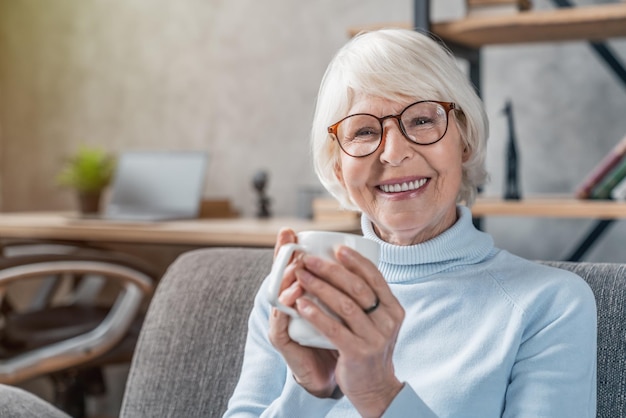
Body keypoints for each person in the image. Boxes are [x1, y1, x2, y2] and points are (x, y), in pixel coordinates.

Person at [224, 28, 597, 417]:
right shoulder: (292, 293)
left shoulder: (552, 305)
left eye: (421, 120)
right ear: (338, 163)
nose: (394, 153)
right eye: (365, 130)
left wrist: (381, 394)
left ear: (464, 139)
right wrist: (310, 393)